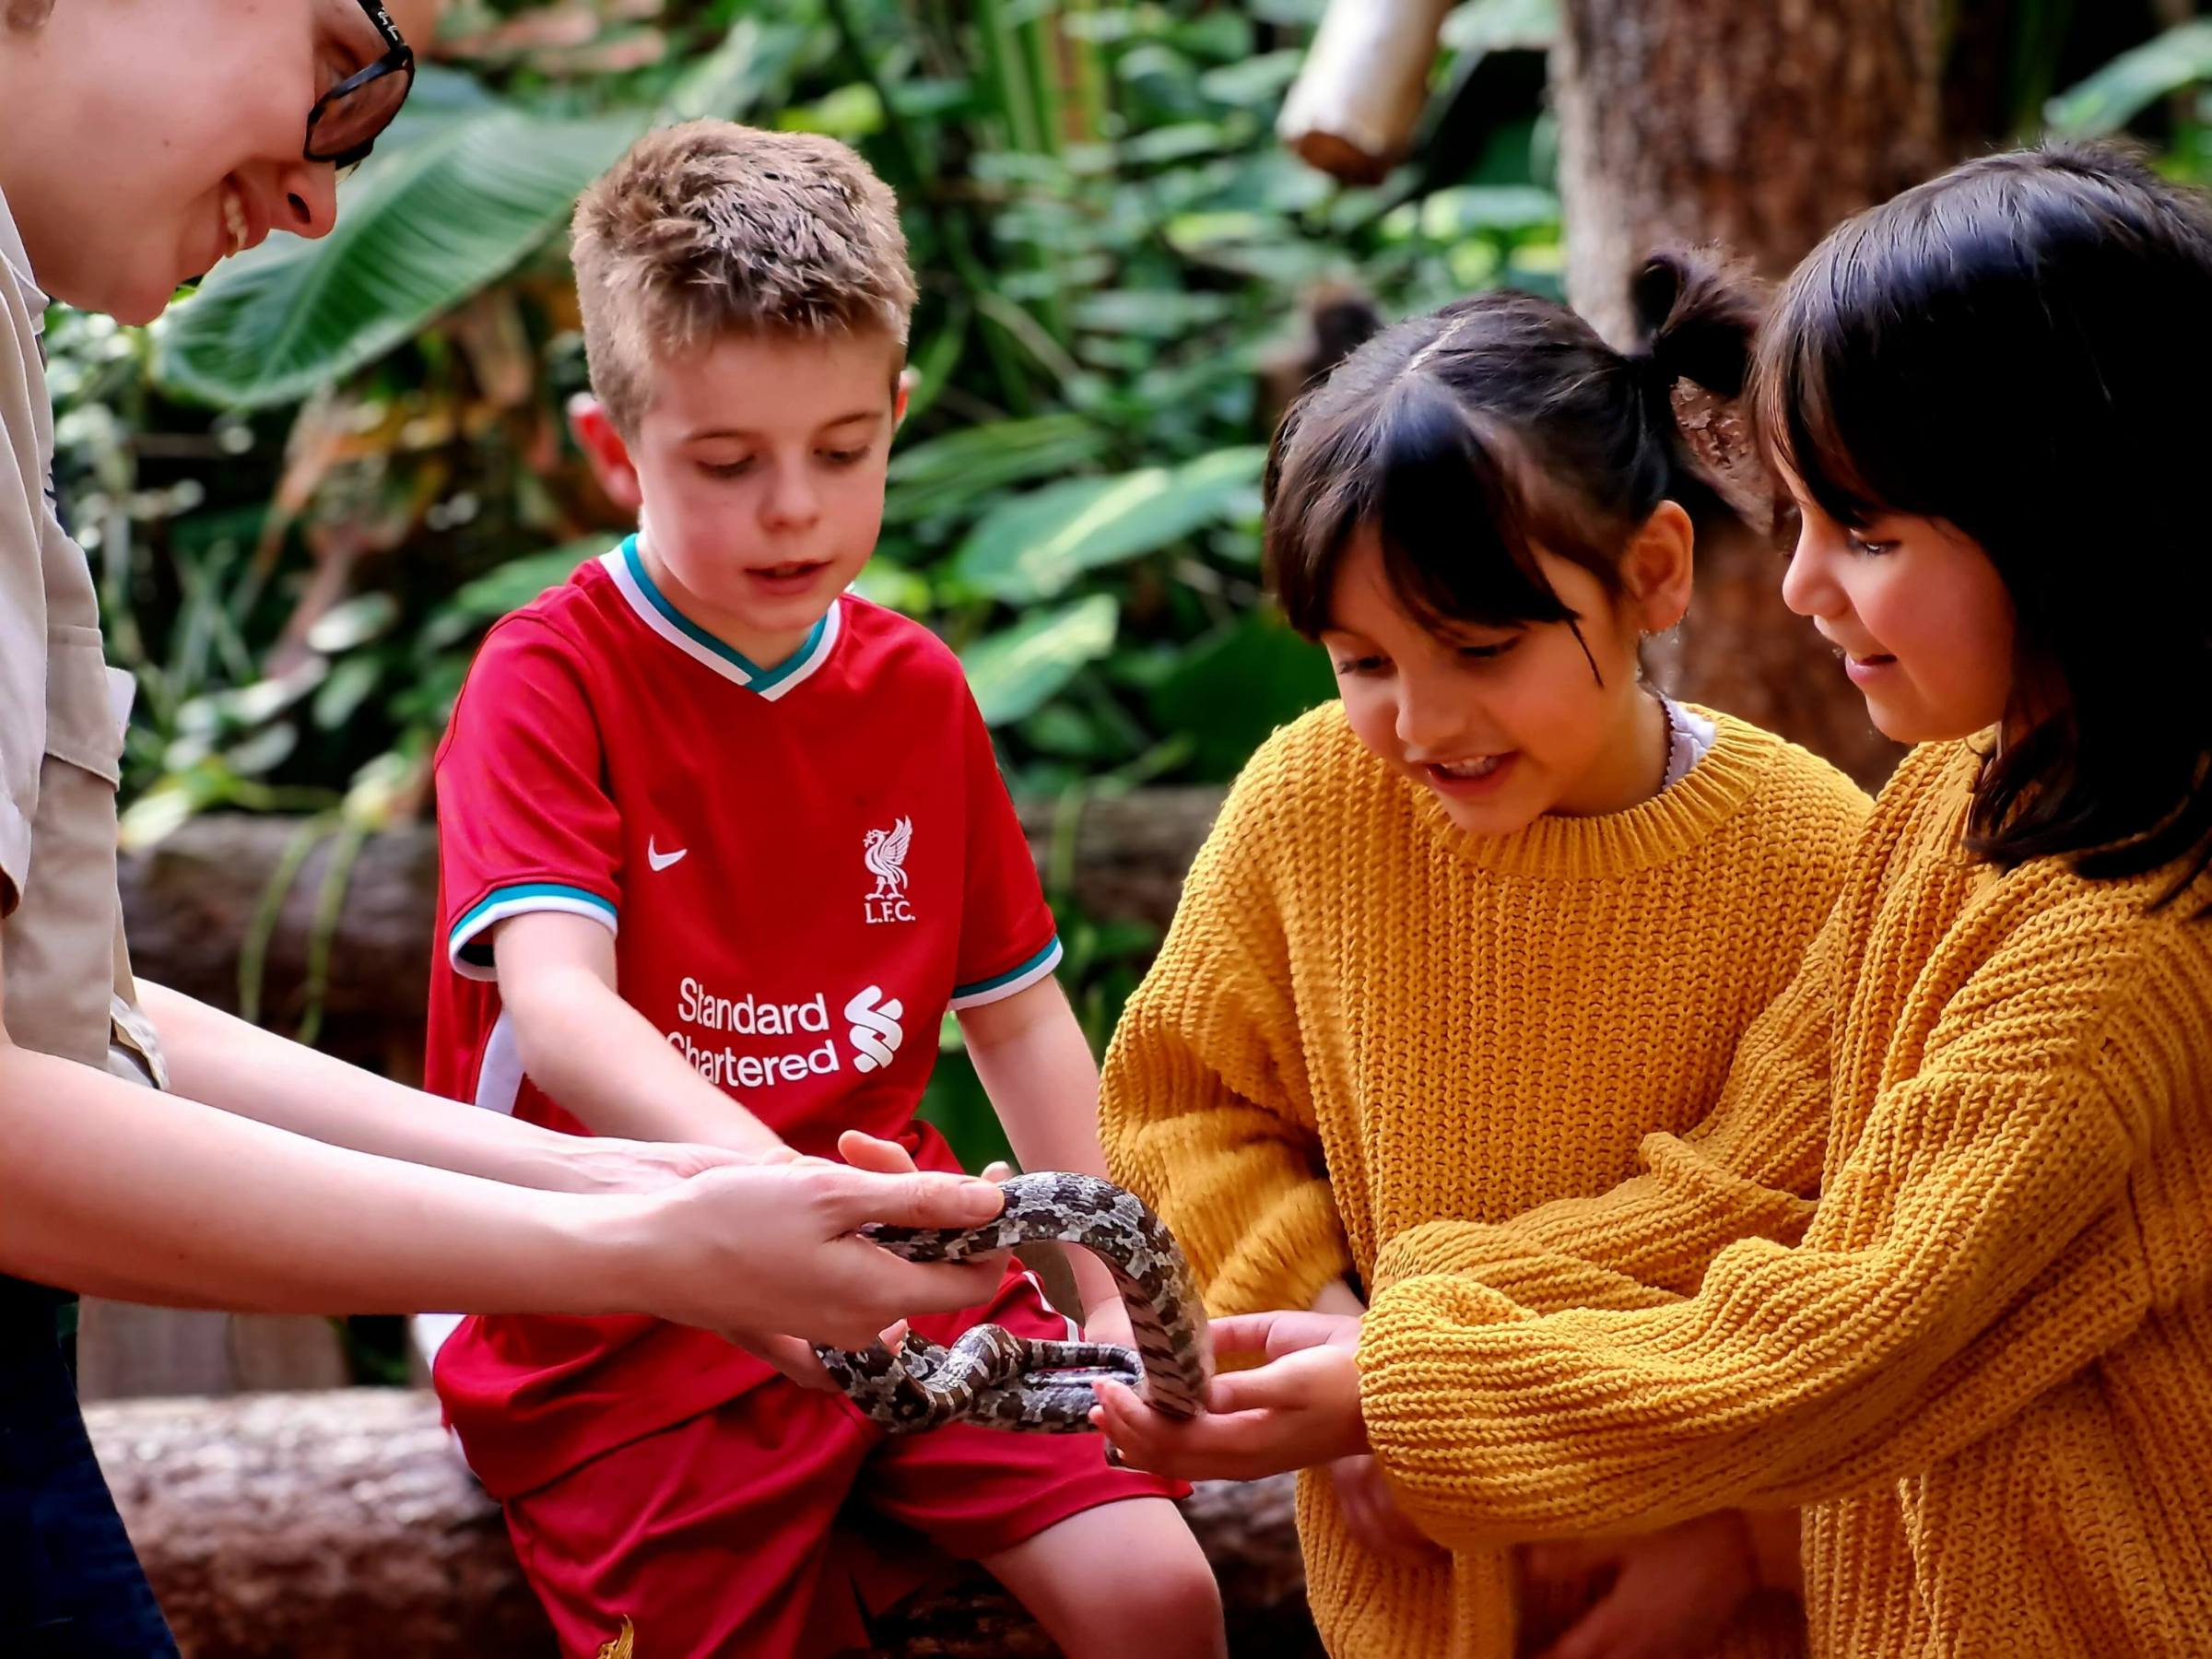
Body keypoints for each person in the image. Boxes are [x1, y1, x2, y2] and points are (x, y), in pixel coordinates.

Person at [1093, 142, 2212, 1659]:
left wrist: (1400, 1386)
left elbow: (1849, 1331)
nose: (1807, 586)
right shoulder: (1964, 803)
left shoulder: (2119, 944)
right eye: (1806, 520)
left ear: (2070, 515)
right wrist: (1390, 1335)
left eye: (1866, 535)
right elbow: (1753, 1171)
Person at [0, 6, 1011, 1652]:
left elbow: (72, 1026)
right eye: (342, 38)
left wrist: (640, 1201)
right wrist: (652, 1237)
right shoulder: (554, 668)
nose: (332, 196)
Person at [420, 120, 1225, 1659]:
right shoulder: (551, 675)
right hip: (623, 1318)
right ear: (616, 451)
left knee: (1160, 1595)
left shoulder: (915, 687)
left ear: (897, 418)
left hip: (916, 1274)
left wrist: (1111, 1290)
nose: (795, 507)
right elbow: (561, 1008)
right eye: (728, 464)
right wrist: (797, 1215)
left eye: (842, 452)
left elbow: (1021, 1016)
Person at [1094, 256, 1868, 1659]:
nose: (1422, 720)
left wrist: (1737, 1542)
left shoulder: (1817, 857)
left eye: (1480, 647)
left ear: (1651, 575)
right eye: (1364, 660)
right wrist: (1333, 1363)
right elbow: (1182, 1106)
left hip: (1730, 1593)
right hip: (1410, 1588)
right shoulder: (1311, 804)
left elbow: (1858, 1258)